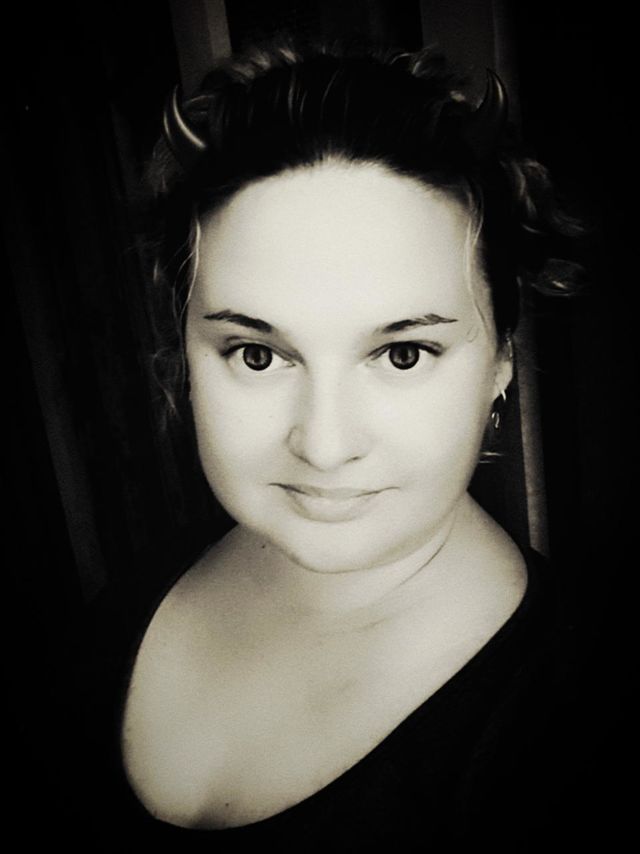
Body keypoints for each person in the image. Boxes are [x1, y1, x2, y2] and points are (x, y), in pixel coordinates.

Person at [80, 38, 581, 851]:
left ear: (500, 364)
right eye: (257, 355)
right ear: (184, 355)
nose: (324, 445)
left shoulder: (562, 726)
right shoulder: (136, 591)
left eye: (403, 354)